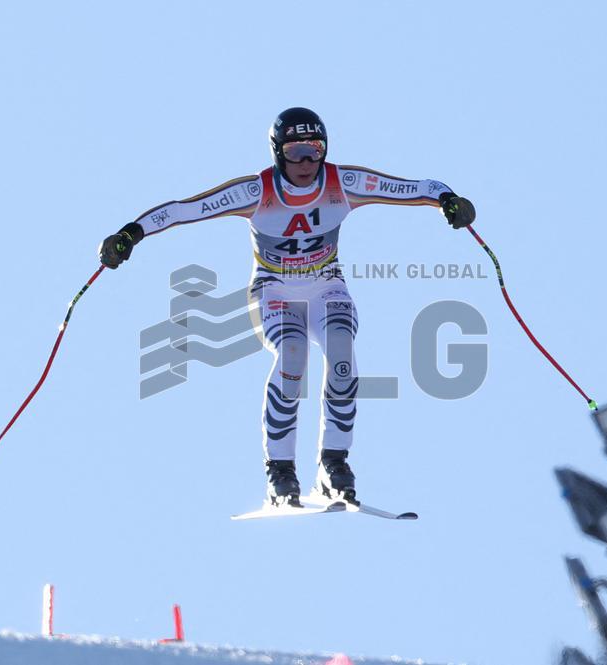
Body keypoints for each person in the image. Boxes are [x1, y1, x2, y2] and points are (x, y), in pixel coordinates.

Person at [99, 107, 475, 508]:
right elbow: (182, 210)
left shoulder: (343, 183)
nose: (306, 162)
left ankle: (333, 465)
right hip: (273, 289)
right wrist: (131, 234)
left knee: (342, 352)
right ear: (278, 152)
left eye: (315, 150)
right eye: (296, 152)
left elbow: (416, 187)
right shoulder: (255, 192)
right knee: (292, 355)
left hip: (326, 286)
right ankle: (279, 471)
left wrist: (449, 201)